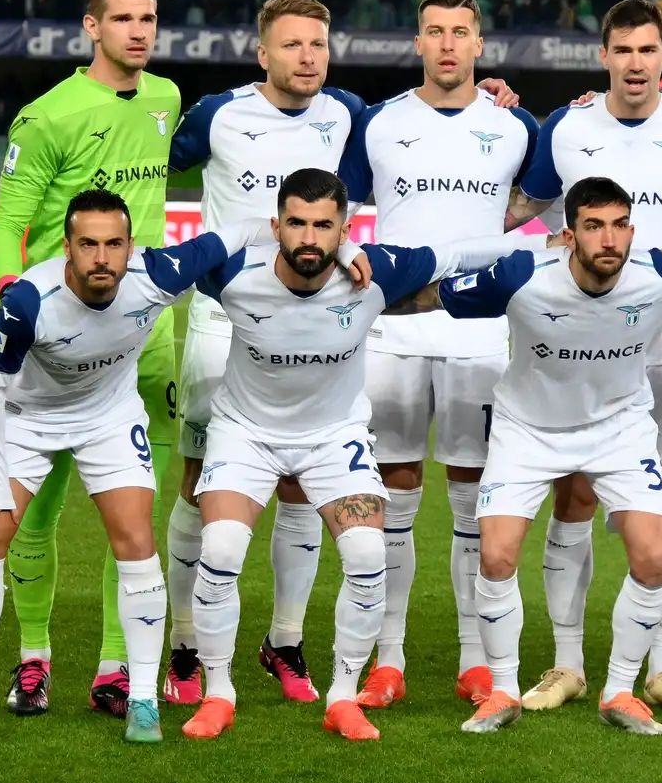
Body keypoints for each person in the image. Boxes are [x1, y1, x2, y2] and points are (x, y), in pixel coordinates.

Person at [178, 169, 538, 742]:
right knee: (219, 547)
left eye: (325, 226)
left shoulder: (377, 272)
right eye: (296, 223)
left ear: (345, 228)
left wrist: (549, 247)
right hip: (245, 433)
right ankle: (218, 693)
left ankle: (343, 697)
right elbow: (180, 257)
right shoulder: (233, 273)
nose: (309, 238)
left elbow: (457, 254)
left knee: (369, 555)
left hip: (333, 436)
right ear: (275, 225)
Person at [502, 0, 662, 716]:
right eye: (623, 50)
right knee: (574, 492)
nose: (635, 63)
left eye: (647, 50)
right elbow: (516, 209)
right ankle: (568, 664)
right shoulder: (568, 126)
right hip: (581, 341)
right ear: (603, 56)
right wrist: (499, 116)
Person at [0, 190, 266, 742]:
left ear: (130, 245)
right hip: (26, 418)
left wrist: (338, 248)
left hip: (108, 416)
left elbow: (240, 230)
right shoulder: (29, 301)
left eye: (114, 244)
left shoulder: (158, 274)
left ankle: (142, 700)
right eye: (88, 244)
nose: (102, 257)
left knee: (136, 542)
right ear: (67, 247)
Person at [410, 177, 662, 735]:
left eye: (619, 225)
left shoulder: (660, 277)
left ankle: (619, 690)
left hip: (621, 429)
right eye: (594, 226)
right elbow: (431, 296)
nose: (609, 239)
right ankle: (502, 691)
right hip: (528, 430)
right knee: (496, 555)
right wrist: (347, 296)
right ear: (568, 235)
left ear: (632, 231)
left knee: (654, 556)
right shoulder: (522, 277)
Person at [0, 0, 181, 718]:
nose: (139, 31)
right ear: (92, 27)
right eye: (123, 18)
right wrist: (15, 294)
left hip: (148, 333)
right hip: (59, 340)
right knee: (38, 507)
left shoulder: (166, 100)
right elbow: (7, 222)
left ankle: (115, 668)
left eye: (148, 18)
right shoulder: (46, 116)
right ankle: (34, 658)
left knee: (133, 515)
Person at [161, 0, 367, 706]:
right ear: (263, 53)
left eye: (318, 44)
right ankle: (185, 641)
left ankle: (284, 639)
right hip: (223, 319)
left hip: (309, 321)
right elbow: (148, 164)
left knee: (301, 480)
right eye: (292, 45)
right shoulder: (217, 114)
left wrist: (494, 98)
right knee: (198, 480)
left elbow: (421, 131)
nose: (307, 57)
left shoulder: (347, 114)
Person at [338, 0, 539, 708]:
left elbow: (539, 200)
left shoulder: (516, 127)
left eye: (461, 31)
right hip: (392, 331)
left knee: (472, 501)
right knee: (392, 494)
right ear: (417, 41)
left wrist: (487, 239)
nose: (448, 44)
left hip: (479, 332)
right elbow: (340, 208)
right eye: (435, 31)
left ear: (479, 43)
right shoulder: (379, 121)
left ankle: (473, 660)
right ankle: (388, 659)